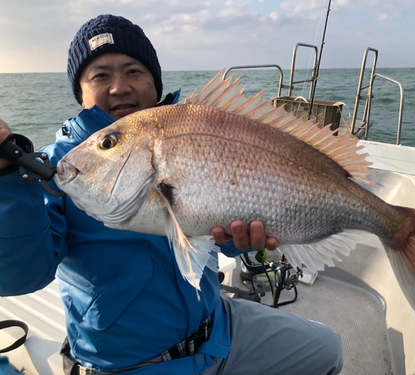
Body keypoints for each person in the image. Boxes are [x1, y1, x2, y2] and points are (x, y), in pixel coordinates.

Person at [0, 14, 343, 375]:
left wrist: (240, 239)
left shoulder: (195, 129)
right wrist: (6, 180)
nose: (119, 87)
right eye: (100, 75)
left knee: (328, 350)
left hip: (218, 331)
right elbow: (17, 277)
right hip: (131, 365)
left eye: (133, 71)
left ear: (153, 80)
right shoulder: (58, 169)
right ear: (80, 92)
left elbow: (217, 236)